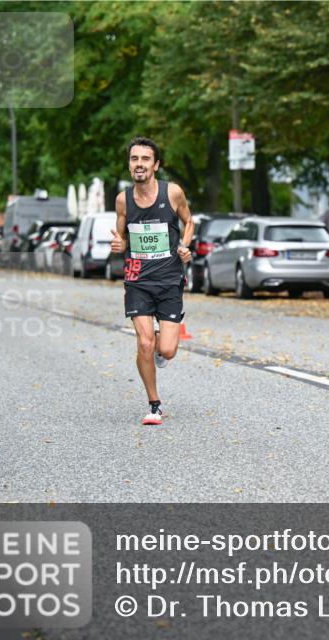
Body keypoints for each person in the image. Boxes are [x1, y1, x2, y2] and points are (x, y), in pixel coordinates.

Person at [110, 137, 194, 425]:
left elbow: (189, 221)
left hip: (170, 278)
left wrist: (184, 245)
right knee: (144, 342)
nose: (139, 164)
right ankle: (154, 404)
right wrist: (119, 244)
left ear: (156, 165)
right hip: (137, 278)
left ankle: (160, 349)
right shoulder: (123, 199)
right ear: (129, 164)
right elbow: (120, 235)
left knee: (166, 349)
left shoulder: (172, 193)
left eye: (145, 159)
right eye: (134, 159)